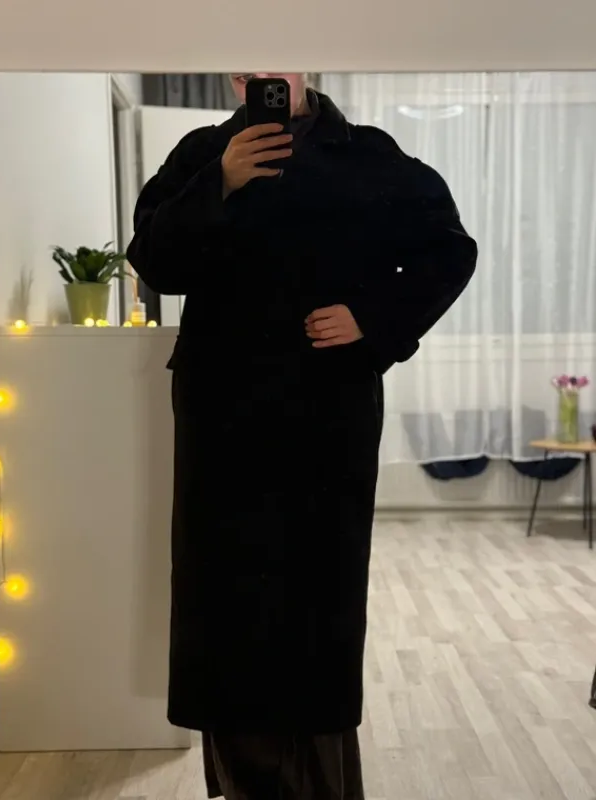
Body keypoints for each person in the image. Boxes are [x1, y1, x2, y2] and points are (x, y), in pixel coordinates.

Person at [127, 72, 477, 800]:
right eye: (248, 66)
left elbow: (448, 250)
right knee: (225, 599)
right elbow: (155, 263)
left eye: (280, 58)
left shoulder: (369, 154)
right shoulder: (201, 152)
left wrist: (373, 317)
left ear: (309, 61)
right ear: (233, 76)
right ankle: (244, 780)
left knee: (319, 596)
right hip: (223, 409)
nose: (265, 76)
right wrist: (218, 184)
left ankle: (321, 782)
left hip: (328, 404)